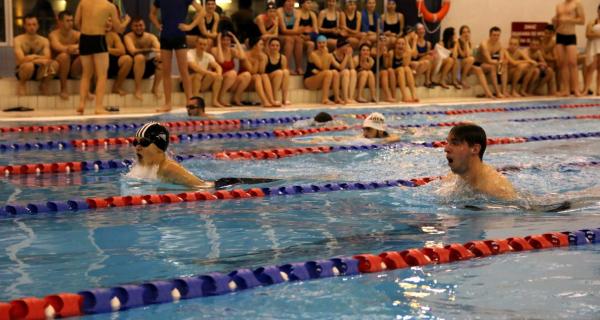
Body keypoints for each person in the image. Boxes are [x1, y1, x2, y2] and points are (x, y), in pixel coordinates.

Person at [131, 122, 276, 189]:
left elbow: (202, 187)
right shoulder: (143, 166)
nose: (138, 146)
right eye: (135, 142)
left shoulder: (169, 169)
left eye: (144, 142)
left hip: (219, 185)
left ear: (159, 147)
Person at [75, 0, 130, 115]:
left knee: (86, 74)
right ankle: (98, 107)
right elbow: (119, 28)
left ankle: (81, 104)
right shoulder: (109, 6)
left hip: (84, 38)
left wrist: (86, 29)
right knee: (102, 75)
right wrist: (126, 21)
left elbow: (76, 22)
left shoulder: (83, 2)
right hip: (98, 38)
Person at [149, 0, 204, 112]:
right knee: (166, 71)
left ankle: (189, 101)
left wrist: (190, 26)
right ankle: (168, 103)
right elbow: (151, 14)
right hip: (165, 36)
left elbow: (202, 11)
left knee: (184, 70)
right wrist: (157, 25)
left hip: (179, 36)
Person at [443, 123, 517, 201]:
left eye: (455, 143)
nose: (446, 149)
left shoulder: (496, 188)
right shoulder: (451, 179)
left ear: (475, 149)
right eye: (448, 142)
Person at [13, 14, 58, 96]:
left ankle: (44, 84)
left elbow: (48, 57)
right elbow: (21, 60)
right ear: (24, 26)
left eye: (34, 24)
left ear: (38, 26)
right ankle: (22, 84)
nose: (32, 27)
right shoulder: (18, 40)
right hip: (23, 70)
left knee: (55, 64)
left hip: (39, 71)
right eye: (29, 24)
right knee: (29, 65)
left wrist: (31, 57)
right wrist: (39, 59)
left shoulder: (44, 40)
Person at [124, 17, 163, 101]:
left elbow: (160, 50)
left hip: (148, 67)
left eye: (141, 25)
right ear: (132, 27)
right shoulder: (128, 37)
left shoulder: (151, 37)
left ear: (144, 26)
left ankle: (155, 88)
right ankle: (138, 89)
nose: (138, 28)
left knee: (161, 57)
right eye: (136, 26)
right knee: (139, 57)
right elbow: (133, 51)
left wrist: (153, 54)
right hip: (133, 69)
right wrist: (151, 50)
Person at [212, 32, 251, 106]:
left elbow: (242, 57)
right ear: (219, 40)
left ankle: (236, 97)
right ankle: (220, 97)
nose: (226, 42)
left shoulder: (232, 51)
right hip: (219, 80)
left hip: (230, 80)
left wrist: (236, 39)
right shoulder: (214, 50)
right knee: (233, 73)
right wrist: (219, 44)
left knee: (247, 75)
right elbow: (221, 60)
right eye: (223, 40)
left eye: (228, 40)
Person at [554, 0, 585, 97]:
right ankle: (566, 90)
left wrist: (568, 20)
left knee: (573, 63)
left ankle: (575, 89)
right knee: (562, 63)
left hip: (570, 35)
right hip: (559, 35)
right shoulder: (559, 5)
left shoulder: (577, 4)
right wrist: (555, 21)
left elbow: (582, 21)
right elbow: (557, 22)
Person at [49, 10, 81, 100]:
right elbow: (56, 46)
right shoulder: (53, 34)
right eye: (67, 21)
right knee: (64, 56)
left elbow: (86, 44)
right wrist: (68, 49)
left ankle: (89, 89)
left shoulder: (77, 34)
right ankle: (63, 88)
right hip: (57, 69)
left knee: (87, 55)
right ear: (60, 22)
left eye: (71, 20)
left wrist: (74, 47)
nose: (71, 23)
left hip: (73, 69)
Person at [457, 25, 494, 98]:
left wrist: (467, 43)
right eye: (464, 32)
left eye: (468, 32)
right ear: (461, 34)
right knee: (471, 59)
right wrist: (465, 43)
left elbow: (471, 54)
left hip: (467, 66)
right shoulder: (457, 42)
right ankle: (462, 79)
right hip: (459, 66)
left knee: (479, 69)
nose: (466, 34)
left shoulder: (470, 43)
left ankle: (488, 92)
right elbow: (466, 55)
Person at [187, 35, 224, 107]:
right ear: (196, 44)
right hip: (188, 83)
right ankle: (196, 101)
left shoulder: (208, 56)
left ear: (207, 46)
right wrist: (211, 73)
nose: (202, 46)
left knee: (218, 76)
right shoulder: (189, 53)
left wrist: (219, 74)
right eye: (200, 44)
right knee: (198, 75)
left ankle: (214, 101)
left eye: (204, 45)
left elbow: (218, 66)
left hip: (201, 83)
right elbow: (195, 68)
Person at [304, 35, 341, 105]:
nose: (322, 45)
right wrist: (325, 54)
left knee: (335, 72)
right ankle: (325, 99)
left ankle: (337, 98)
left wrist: (348, 56)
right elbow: (323, 67)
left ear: (326, 44)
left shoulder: (329, 55)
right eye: (319, 43)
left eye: (323, 43)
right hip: (309, 81)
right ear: (316, 44)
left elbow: (340, 67)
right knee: (328, 73)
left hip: (319, 78)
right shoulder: (313, 54)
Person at [105, 17, 133, 96]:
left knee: (127, 59)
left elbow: (122, 51)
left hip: (111, 64)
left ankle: (116, 87)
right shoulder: (94, 34)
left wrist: (107, 50)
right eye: (105, 20)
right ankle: (94, 89)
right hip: (98, 64)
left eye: (110, 21)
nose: (108, 23)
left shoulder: (113, 35)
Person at [476, 26, 506, 98]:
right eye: (494, 35)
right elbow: (489, 60)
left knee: (504, 66)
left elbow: (501, 59)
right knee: (493, 67)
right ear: (490, 35)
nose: (496, 37)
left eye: (498, 35)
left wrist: (500, 68)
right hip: (478, 63)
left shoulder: (499, 44)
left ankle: (504, 91)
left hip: (488, 63)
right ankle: (497, 92)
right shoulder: (484, 44)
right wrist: (498, 63)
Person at [278, 0, 303, 75]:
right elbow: (283, 30)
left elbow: (295, 29)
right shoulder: (279, 11)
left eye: (292, 1)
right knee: (289, 39)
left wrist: (297, 31)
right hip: (279, 35)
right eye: (288, 1)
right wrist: (299, 31)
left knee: (299, 40)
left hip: (291, 35)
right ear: (284, 2)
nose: (291, 3)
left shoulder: (298, 12)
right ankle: (286, 66)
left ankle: (298, 67)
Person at [390, 37, 418, 102]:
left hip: (402, 74)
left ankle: (413, 94)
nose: (401, 46)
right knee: (401, 69)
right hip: (393, 74)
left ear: (405, 45)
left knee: (407, 68)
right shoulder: (392, 53)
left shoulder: (406, 53)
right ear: (395, 45)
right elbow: (389, 67)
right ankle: (404, 95)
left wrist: (405, 56)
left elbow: (406, 64)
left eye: (403, 44)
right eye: (399, 43)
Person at [265, 37, 291, 105]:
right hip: (267, 79)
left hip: (278, 79)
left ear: (280, 47)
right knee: (279, 72)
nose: (275, 47)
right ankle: (275, 98)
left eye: (277, 45)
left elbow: (284, 74)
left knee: (286, 72)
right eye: (273, 45)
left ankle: (284, 99)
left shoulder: (283, 58)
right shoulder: (265, 56)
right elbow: (262, 72)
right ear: (269, 46)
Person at [331, 38, 357, 104]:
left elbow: (352, 67)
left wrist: (350, 56)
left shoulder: (346, 54)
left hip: (343, 78)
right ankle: (345, 98)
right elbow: (340, 68)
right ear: (341, 46)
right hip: (334, 79)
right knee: (346, 71)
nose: (349, 48)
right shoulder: (332, 55)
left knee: (353, 72)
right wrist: (347, 56)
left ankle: (350, 97)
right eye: (347, 46)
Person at [582, 4, 600, 96]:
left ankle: (598, 90)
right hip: (594, 47)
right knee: (591, 68)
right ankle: (586, 89)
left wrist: (595, 33)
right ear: (598, 11)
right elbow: (588, 34)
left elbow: (592, 34)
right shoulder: (592, 22)